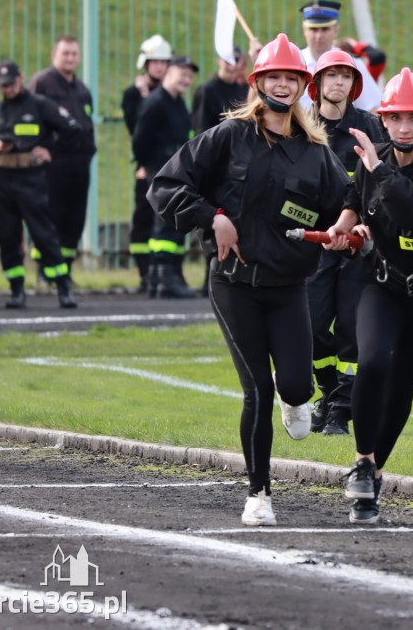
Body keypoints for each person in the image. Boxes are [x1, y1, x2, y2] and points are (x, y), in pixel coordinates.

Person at [147, 33, 350, 526]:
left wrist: (346, 222)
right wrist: (210, 215)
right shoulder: (227, 136)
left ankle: (293, 398)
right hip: (233, 284)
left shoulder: (316, 152)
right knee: (257, 389)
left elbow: (349, 199)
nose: (282, 85)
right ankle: (259, 494)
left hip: (288, 289)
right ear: (258, 83)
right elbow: (165, 186)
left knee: (299, 388)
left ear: (304, 86)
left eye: (291, 78)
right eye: (273, 77)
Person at [323, 68, 413, 525]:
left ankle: (374, 477)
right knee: (375, 364)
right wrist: (347, 226)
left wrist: (378, 170)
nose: (404, 126)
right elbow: (355, 194)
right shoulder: (374, 157)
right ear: (384, 121)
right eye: (396, 118)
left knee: (402, 385)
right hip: (381, 284)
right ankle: (363, 462)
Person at [305, 49, 386, 436]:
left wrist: (368, 227)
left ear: (355, 85)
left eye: (346, 76)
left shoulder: (369, 128)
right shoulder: (300, 127)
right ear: (317, 83)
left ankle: (341, 407)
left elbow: (381, 182)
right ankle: (327, 392)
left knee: (351, 326)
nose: (339, 82)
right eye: (331, 75)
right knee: (315, 325)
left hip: (357, 242)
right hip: (315, 244)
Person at [0, 60, 81, 309]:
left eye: (11, 84)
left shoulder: (39, 105)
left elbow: (73, 131)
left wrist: (50, 149)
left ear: (21, 79)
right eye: (3, 85)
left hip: (32, 179)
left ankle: (63, 288)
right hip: (4, 179)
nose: (7, 89)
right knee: (7, 235)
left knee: (44, 235)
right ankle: (16, 291)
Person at [27, 35, 97, 278]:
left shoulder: (81, 89)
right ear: (53, 55)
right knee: (50, 216)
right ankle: (44, 270)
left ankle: (64, 271)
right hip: (53, 162)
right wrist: (38, 149)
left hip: (79, 162)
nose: (70, 58)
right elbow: (27, 117)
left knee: (74, 218)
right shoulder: (41, 83)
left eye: (74, 54)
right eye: (65, 53)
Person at [131, 54, 200, 299]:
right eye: (183, 74)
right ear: (169, 72)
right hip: (161, 171)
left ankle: (167, 277)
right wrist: (149, 166)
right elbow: (140, 140)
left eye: (190, 76)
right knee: (164, 225)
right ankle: (161, 280)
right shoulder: (156, 102)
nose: (187, 79)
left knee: (172, 224)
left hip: (176, 172)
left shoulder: (178, 102)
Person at [190, 45, 250, 296]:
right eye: (226, 59)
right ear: (218, 61)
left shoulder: (242, 90)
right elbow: (202, 129)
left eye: (235, 59)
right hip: (215, 164)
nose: (231, 64)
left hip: (238, 167)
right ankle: (209, 278)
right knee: (213, 222)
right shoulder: (207, 90)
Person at [121, 34, 171, 292]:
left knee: (163, 221)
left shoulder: (171, 94)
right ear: (146, 63)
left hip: (167, 166)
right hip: (145, 166)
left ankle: (160, 273)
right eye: (155, 62)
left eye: (164, 62)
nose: (160, 67)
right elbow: (135, 129)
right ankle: (143, 273)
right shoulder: (132, 94)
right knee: (142, 219)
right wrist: (143, 99)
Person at [297, 0, 381, 112]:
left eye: (325, 29)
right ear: (304, 29)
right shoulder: (295, 62)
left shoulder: (353, 63)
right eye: (313, 29)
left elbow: (372, 109)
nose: (318, 36)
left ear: (336, 30)